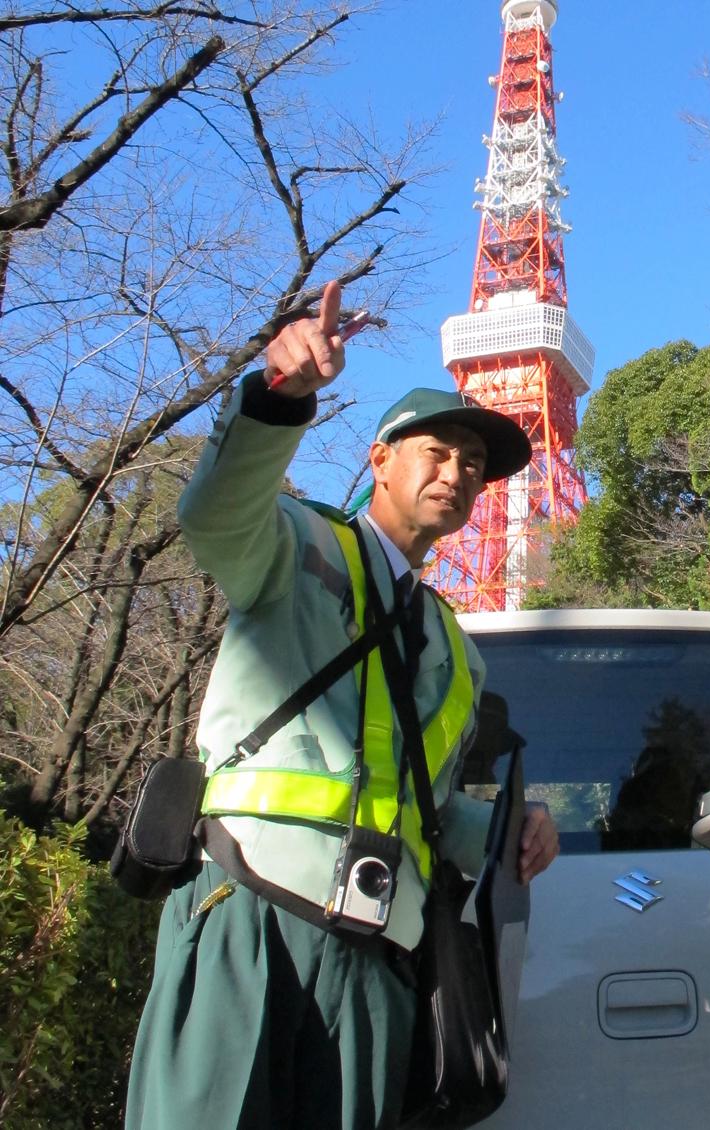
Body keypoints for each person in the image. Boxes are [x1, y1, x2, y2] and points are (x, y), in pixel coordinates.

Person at [125, 281, 559, 1130]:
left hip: (378, 958)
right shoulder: (297, 544)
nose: (458, 474)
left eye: (473, 466)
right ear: (379, 459)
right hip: (252, 908)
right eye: (435, 451)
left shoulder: (457, 651)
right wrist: (275, 399)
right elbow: (213, 519)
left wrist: (512, 825)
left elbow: (425, 810)